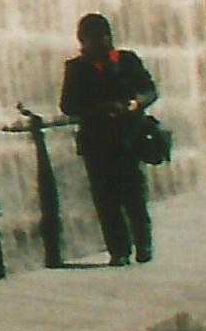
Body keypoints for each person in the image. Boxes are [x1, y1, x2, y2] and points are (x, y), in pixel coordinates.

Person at [60, 13, 160, 265]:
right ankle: (119, 250)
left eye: (93, 40)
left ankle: (143, 245)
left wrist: (134, 104)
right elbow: (69, 105)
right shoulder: (76, 69)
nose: (88, 46)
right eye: (85, 41)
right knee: (105, 200)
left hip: (129, 138)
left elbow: (149, 90)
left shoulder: (127, 61)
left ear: (106, 38)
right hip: (97, 142)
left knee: (134, 196)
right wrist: (101, 108)